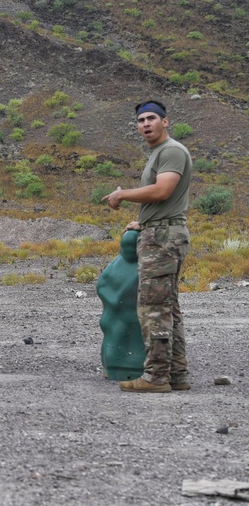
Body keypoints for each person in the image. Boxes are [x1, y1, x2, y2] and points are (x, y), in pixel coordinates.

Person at [102, 100, 192, 393]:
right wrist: (144, 223)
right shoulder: (160, 153)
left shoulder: (171, 151)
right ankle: (176, 374)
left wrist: (122, 195)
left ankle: (155, 377)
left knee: (153, 309)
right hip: (160, 231)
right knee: (168, 307)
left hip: (163, 239)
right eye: (141, 120)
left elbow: (163, 190)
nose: (146, 124)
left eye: (152, 118)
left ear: (166, 121)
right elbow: (168, 201)